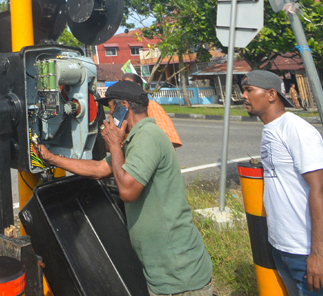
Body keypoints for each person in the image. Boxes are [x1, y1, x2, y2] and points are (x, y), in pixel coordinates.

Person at [36, 80, 213, 296]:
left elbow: (127, 191)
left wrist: (113, 145)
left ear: (123, 108)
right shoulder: (136, 140)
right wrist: (52, 158)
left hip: (179, 275)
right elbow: (99, 169)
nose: (109, 117)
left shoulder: (148, 137)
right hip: (164, 271)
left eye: (111, 109)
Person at [241, 70, 323, 296]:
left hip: (312, 253)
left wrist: (319, 254)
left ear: (271, 95)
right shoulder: (271, 129)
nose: (243, 96)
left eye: (249, 90)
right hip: (285, 250)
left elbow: (320, 188)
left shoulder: (296, 129)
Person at [121, 73, 182, 148]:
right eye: (120, 82)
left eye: (126, 82)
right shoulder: (120, 107)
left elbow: (169, 140)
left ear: (138, 86)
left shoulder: (151, 106)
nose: (122, 85)